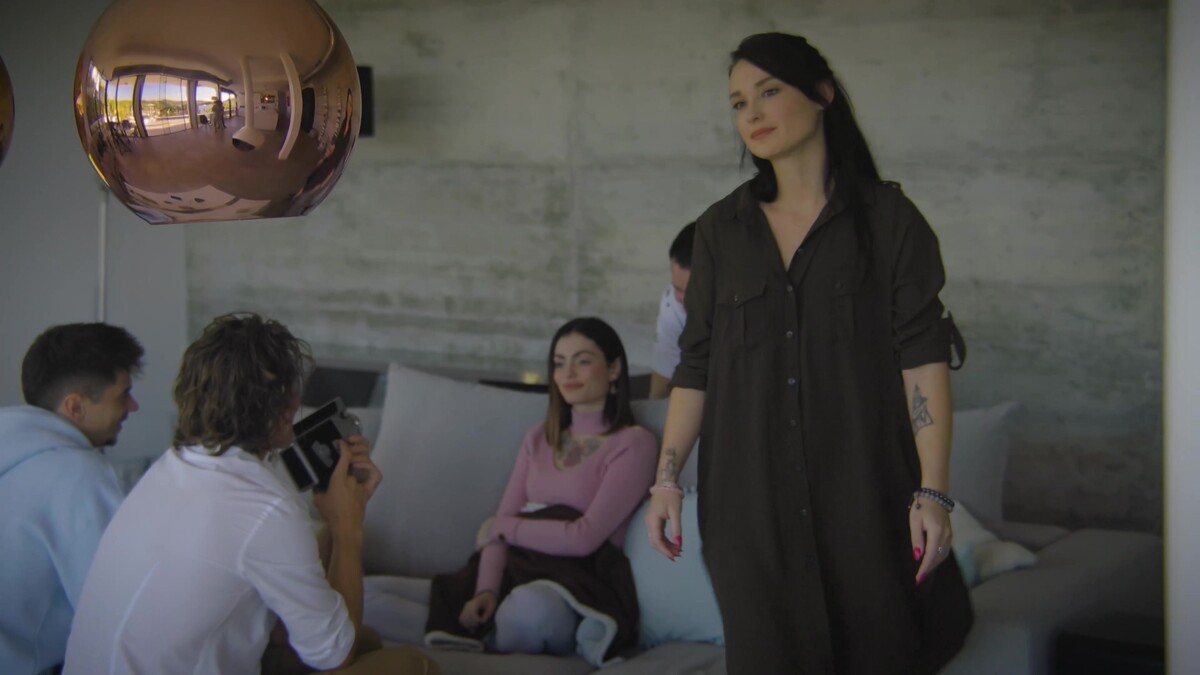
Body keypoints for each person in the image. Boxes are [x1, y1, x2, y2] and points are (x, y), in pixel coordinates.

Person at [643, 32, 973, 674]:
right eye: (739, 102)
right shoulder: (719, 232)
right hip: (749, 518)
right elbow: (696, 366)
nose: (753, 114)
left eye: (769, 91)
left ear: (822, 93)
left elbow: (923, 357)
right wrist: (666, 480)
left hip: (866, 507)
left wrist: (933, 491)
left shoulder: (889, 220)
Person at [62, 313, 437, 675]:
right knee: (413, 665)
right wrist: (347, 527)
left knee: (368, 640)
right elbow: (335, 654)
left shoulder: (173, 466)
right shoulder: (266, 506)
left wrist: (330, 516)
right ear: (285, 404)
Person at [364, 317, 657, 664]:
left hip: (572, 584)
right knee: (363, 595)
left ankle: (470, 635)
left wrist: (503, 527)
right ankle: (473, 633)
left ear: (614, 369)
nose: (568, 373)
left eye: (582, 361)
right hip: (514, 571)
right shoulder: (539, 437)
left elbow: (583, 538)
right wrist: (486, 590)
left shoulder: (634, 444)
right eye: (559, 363)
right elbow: (501, 525)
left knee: (530, 609)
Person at [0, 322, 144, 675]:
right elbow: (117, 611)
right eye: (122, 395)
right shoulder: (79, 474)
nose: (133, 406)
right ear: (75, 407)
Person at [647, 221, 696, 400]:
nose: (682, 301)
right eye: (678, 289)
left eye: (693, 292)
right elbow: (664, 373)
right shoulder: (672, 305)